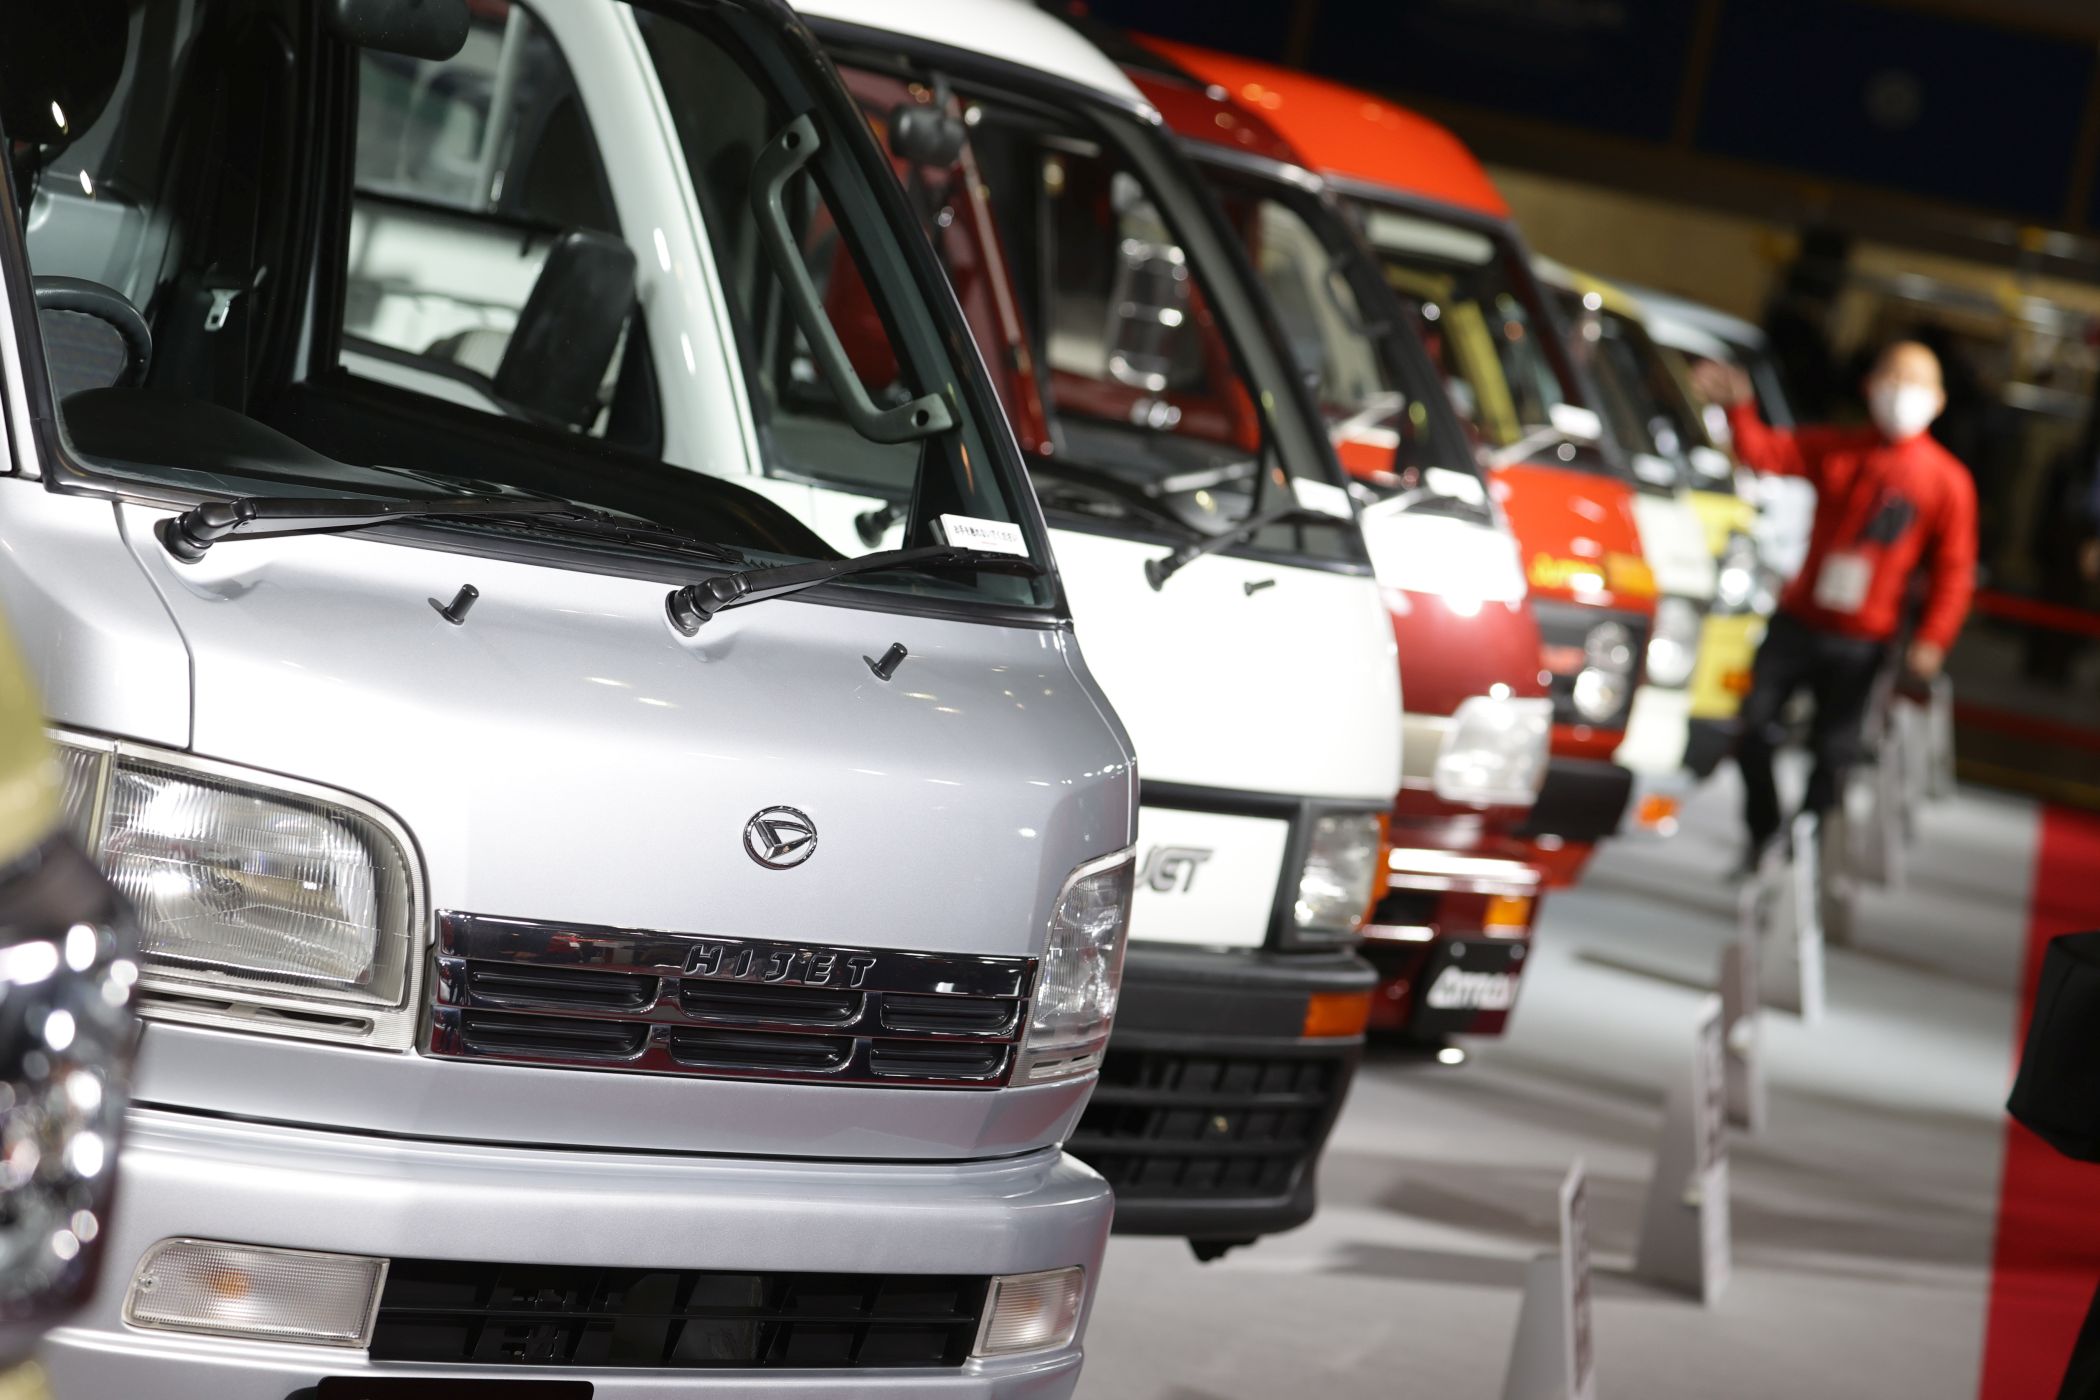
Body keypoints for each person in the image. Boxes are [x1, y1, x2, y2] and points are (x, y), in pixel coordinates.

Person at [1691, 341, 1978, 871]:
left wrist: (1933, 638)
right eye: (1893, 377)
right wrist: (1739, 408)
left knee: (1834, 753)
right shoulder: (1840, 448)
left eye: (1915, 382)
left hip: (1865, 638)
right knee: (1750, 724)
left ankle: (1800, 861)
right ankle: (1765, 833)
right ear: (1870, 386)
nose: (1901, 392)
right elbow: (1765, 454)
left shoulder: (1948, 482)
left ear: (1938, 400)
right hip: (1800, 618)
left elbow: (1954, 571)